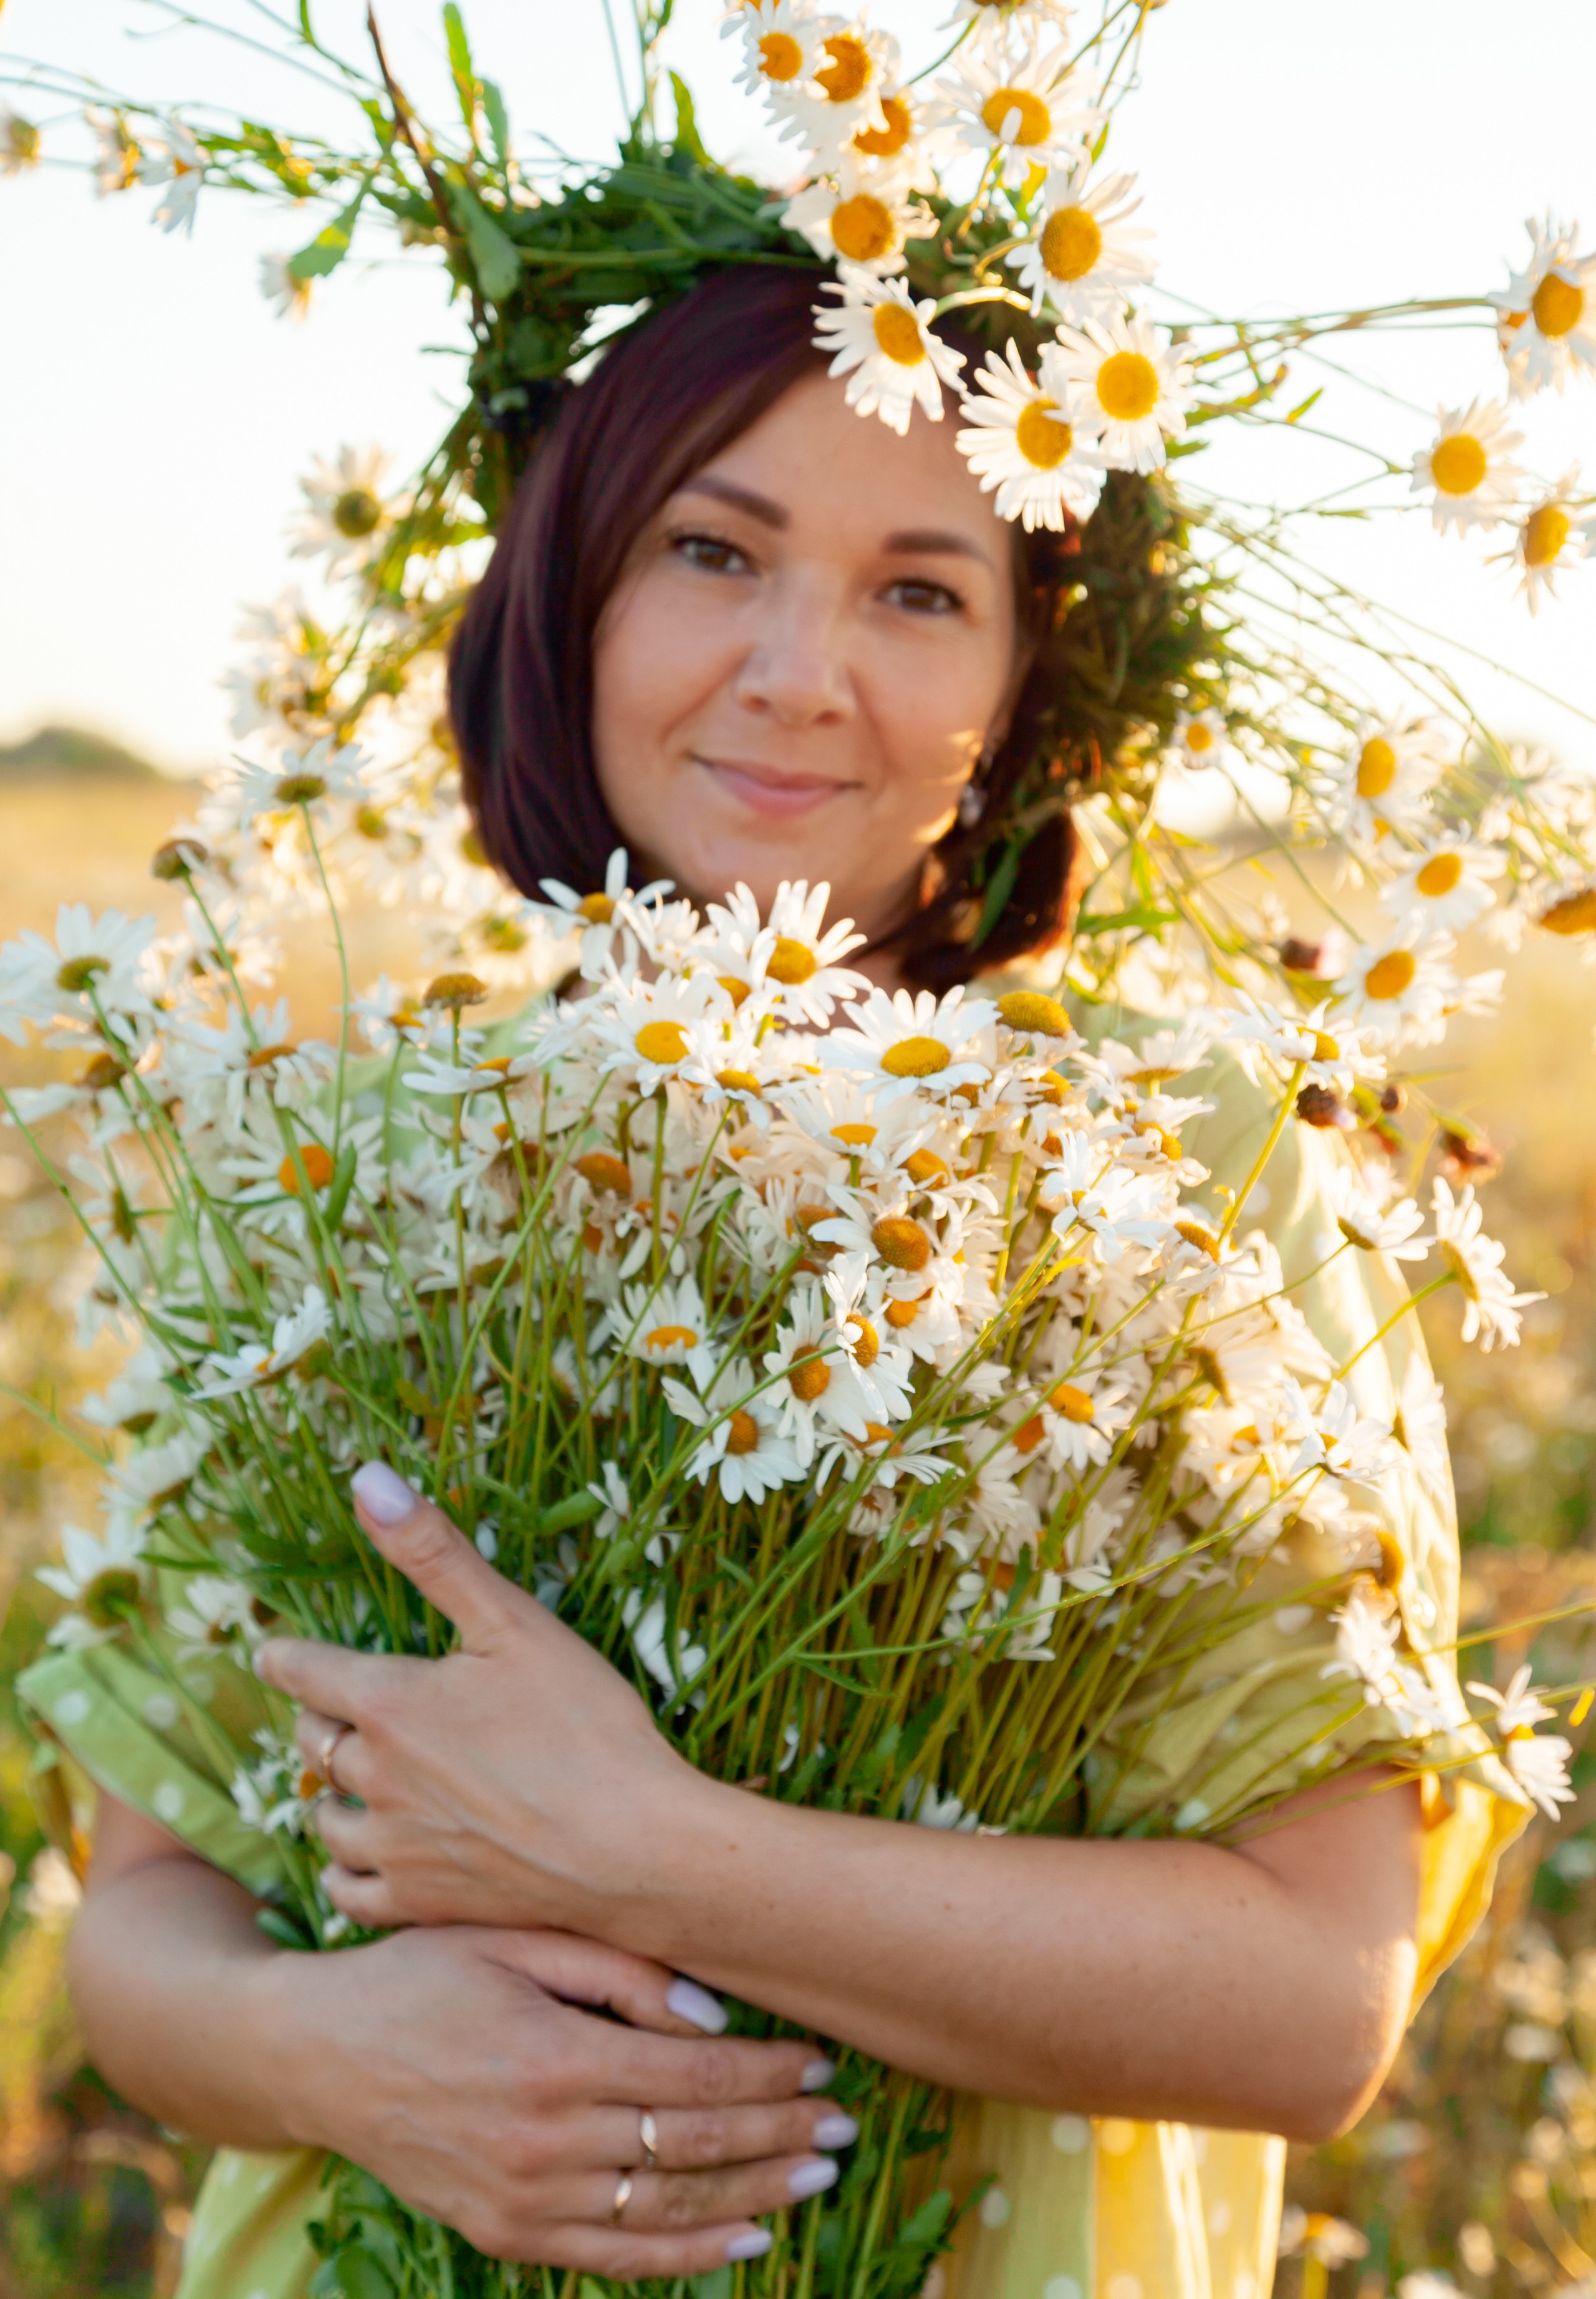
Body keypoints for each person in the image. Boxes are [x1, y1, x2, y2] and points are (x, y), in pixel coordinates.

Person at [27, 268, 1523, 2299]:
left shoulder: (1194, 1169)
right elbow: (147, 1921)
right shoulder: (333, 1165)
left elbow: (1313, 2009)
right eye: (712, 551)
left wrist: (642, 1852)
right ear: (569, 603)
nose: (801, 671)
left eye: (921, 592)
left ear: (1029, 695)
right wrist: (336, 2056)